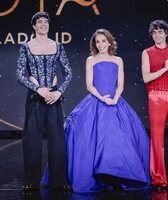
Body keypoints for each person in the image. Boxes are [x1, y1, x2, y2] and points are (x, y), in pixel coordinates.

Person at [64, 29, 151, 193]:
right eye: (98, 42)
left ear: (110, 42)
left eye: (104, 41)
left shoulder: (118, 60)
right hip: (97, 101)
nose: (101, 44)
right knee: (91, 137)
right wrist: (103, 99)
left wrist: (115, 98)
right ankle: (99, 175)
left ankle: (117, 176)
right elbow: (89, 85)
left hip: (115, 101)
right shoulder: (91, 60)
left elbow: (121, 85)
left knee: (118, 139)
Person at [16, 11, 72, 192]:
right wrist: (38, 89)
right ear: (34, 26)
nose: (43, 24)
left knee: (57, 141)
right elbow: (19, 74)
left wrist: (59, 92)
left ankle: (59, 181)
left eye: (45, 22)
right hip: (35, 98)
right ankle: (30, 181)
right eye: (39, 22)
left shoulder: (57, 46)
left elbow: (68, 72)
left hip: (54, 99)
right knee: (32, 141)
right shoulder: (26, 46)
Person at [141, 19, 168, 190]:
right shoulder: (147, 52)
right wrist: (165, 69)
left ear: (166, 33)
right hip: (156, 96)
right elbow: (146, 78)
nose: (157, 35)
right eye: (154, 32)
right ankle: (158, 179)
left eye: (160, 31)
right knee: (157, 138)